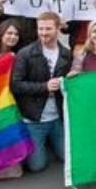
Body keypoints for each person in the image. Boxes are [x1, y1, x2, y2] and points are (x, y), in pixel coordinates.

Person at [10, 12, 73, 173]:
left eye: (48, 29)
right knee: (37, 166)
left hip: (57, 118)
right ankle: (39, 145)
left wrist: (71, 79)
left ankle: (48, 144)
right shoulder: (25, 53)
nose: (43, 33)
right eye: (41, 29)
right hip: (34, 119)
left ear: (58, 29)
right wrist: (44, 87)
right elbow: (16, 85)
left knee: (69, 157)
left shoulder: (66, 54)